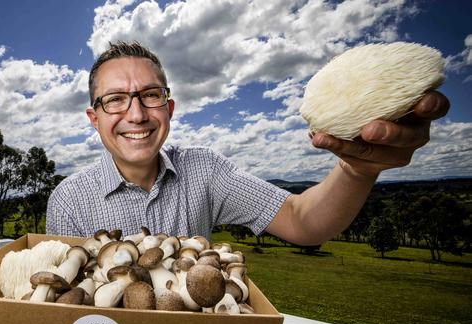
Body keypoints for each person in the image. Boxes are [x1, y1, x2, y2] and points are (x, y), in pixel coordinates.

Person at [46, 41, 449, 244]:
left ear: (169, 108)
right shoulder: (69, 201)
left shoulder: (204, 170)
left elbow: (301, 221)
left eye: (150, 95)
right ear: (93, 118)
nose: (136, 115)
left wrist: (358, 169)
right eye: (115, 99)